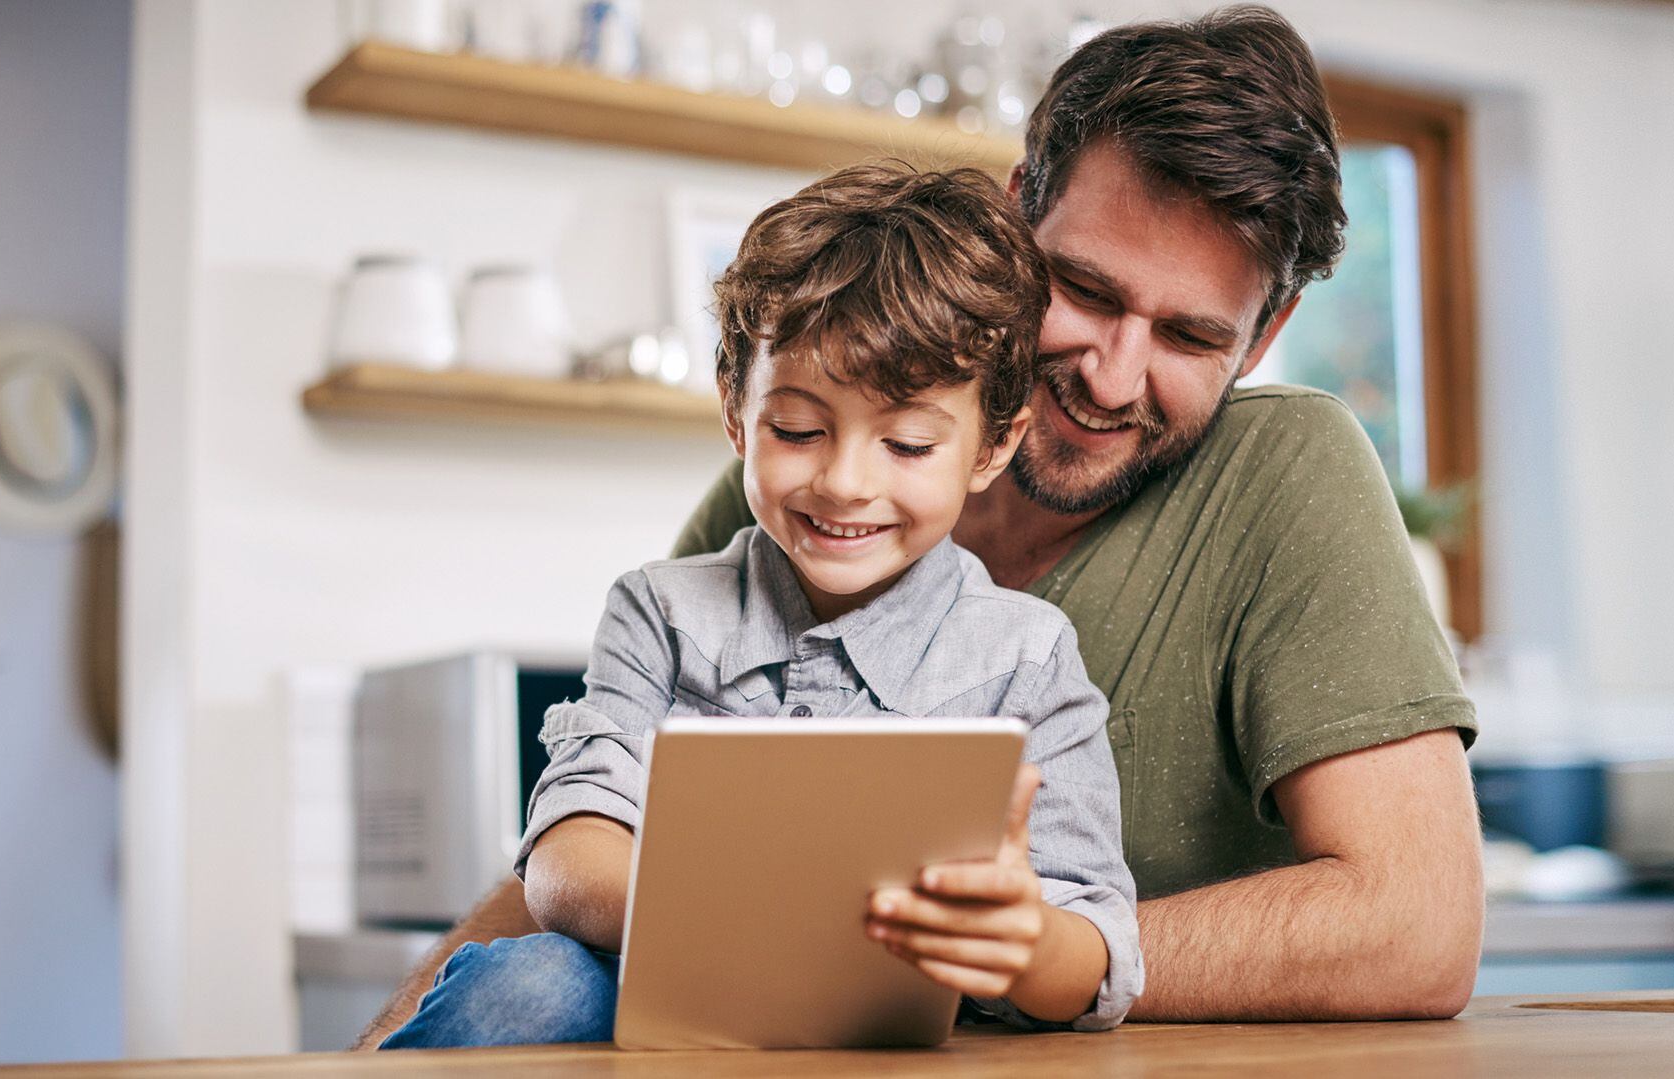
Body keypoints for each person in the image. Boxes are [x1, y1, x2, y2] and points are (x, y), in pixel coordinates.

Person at [357, 5, 1482, 1047]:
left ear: (1267, 329)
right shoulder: (785, 513)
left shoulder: (1282, 473)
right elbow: (594, 828)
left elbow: (1417, 923)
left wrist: (1003, 952)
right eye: (1084, 288)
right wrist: (381, 1046)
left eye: (1189, 334)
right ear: (1010, 220)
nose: (1111, 371)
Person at [378, 162, 1142, 1050]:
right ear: (737, 413)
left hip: (902, 1040)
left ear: (991, 446)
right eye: (798, 430)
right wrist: (769, 916)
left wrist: (1025, 940)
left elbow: (1096, 952)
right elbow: (566, 858)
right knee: (532, 984)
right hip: (666, 1010)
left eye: (906, 442)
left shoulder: (1026, 656)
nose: (845, 482)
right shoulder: (661, 613)